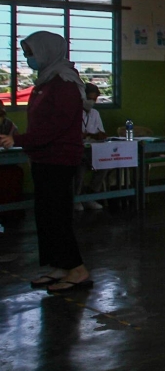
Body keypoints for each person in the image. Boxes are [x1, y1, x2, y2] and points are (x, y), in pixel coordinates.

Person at [0, 31, 91, 293]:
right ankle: (60, 265)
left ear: (48, 50)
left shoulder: (65, 84)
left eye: (31, 53)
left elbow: (55, 127)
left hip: (59, 160)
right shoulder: (46, 82)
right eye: (26, 53)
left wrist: (18, 140)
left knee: (58, 216)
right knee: (45, 217)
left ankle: (77, 269)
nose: (29, 58)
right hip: (43, 158)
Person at [75, 83, 108, 211]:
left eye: (94, 99)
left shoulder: (95, 113)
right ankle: (77, 198)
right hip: (79, 151)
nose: (92, 102)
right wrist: (88, 135)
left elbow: (102, 132)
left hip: (94, 151)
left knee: (105, 164)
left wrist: (99, 135)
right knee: (80, 166)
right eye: (89, 98)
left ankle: (90, 196)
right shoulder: (74, 112)